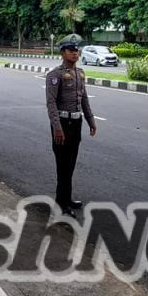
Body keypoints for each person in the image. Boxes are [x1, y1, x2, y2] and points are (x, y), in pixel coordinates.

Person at [45, 34, 97, 216]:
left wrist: (91, 120)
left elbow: (84, 100)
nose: (75, 53)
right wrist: (57, 128)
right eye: (71, 50)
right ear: (63, 52)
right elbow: (51, 103)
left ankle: (67, 199)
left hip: (76, 123)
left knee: (71, 164)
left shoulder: (80, 73)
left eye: (77, 50)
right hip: (62, 123)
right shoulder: (55, 75)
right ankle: (61, 204)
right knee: (63, 165)